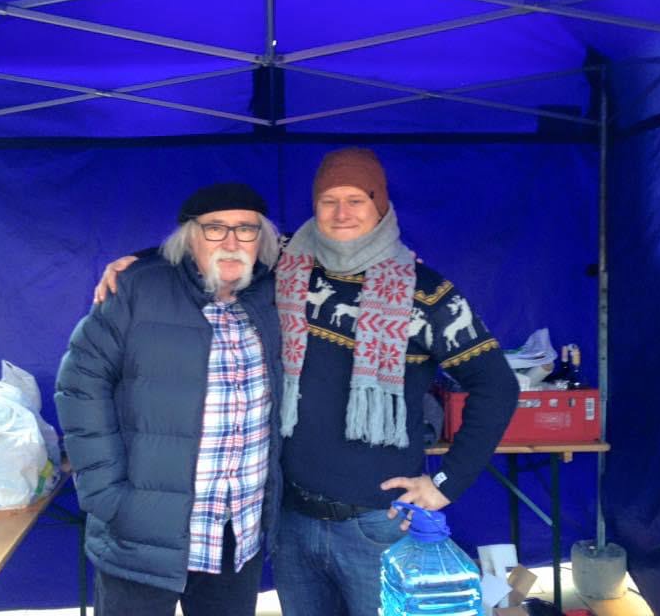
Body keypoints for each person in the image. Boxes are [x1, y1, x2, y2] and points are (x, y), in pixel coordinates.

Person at [94, 149, 519, 616]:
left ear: (380, 205)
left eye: (356, 200)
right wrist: (138, 262)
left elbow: (497, 386)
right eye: (328, 200)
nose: (341, 213)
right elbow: (215, 245)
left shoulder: (427, 293)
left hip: (376, 523)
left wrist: (445, 482)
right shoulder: (284, 263)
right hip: (292, 520)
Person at [55, 182, 285, 616]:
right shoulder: (138, 289)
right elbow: (80, 384)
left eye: (246, 229)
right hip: (141, 536)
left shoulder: (274, 294)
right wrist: (107, 495)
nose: (232, 242)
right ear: (189, 237)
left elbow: (335, 249)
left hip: (235, 536)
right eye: (214, 228)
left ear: (263, 239)